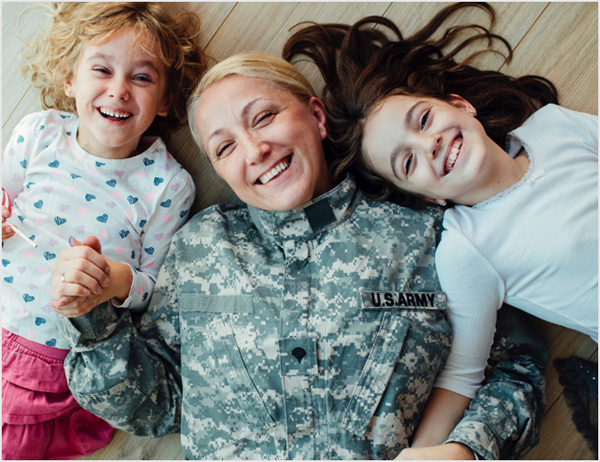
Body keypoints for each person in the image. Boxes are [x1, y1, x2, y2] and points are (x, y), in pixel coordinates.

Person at [55, 52, 547, 460]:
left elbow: (519, 366)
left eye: (264, 117)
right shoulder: (199, 248)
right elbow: (158, 405)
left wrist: (465, 449)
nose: (254, 150)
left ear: (316, 116)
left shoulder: (425, 232)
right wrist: (93, 318)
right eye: (225, 148)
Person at [282, 1, 598, 456]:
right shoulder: (467, 249)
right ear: (427, 197)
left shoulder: (553, 126)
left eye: (424, 120)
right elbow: (462, 374)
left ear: (460, 105)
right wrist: (424, 451)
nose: (428, 145)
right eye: (407, 161)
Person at [1, 3, 206, 459]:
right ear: (69, 78)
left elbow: (154, 289)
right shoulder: (39, 132)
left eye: (142, 78)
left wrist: (112, 281)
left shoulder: (167, 184)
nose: (119, 91)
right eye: (101, 69)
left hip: (48, 358)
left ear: (167, 99)